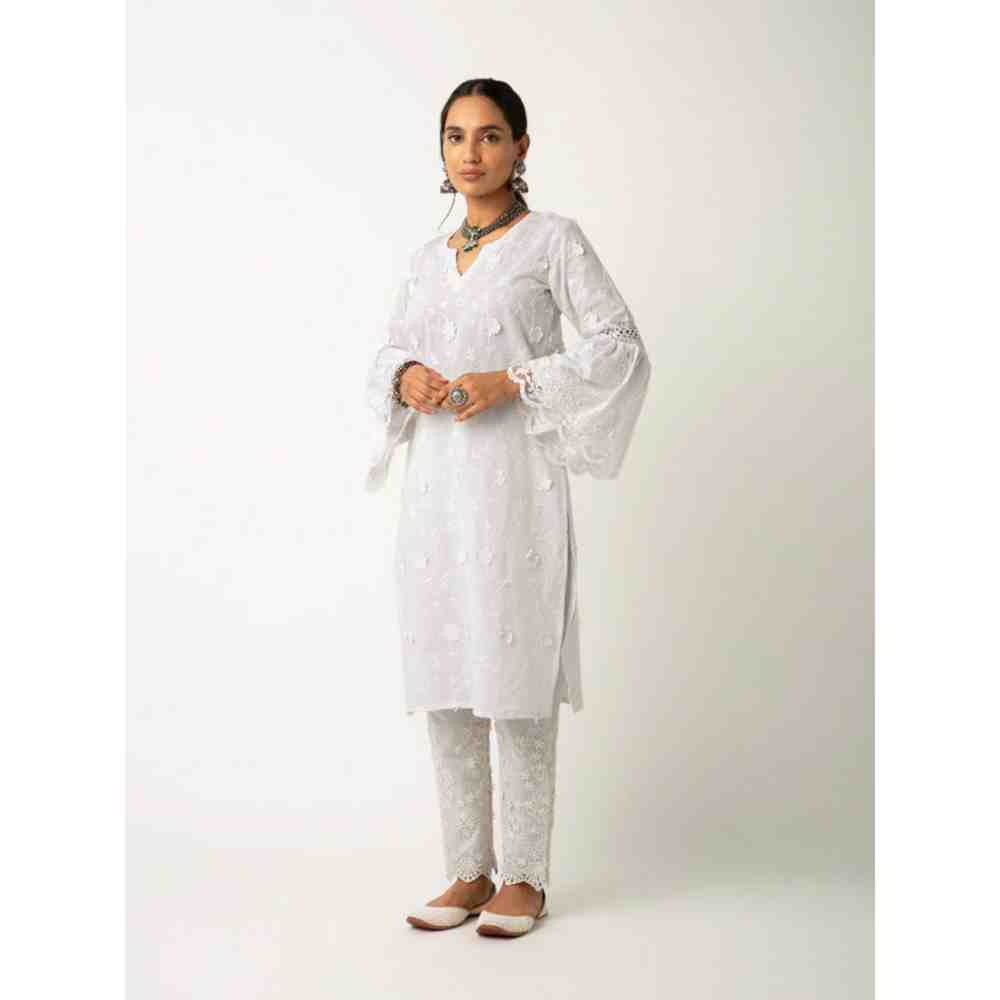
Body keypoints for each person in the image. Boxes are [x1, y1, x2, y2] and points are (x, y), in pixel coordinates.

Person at [364, 78, 652, 937]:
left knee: (515, 674)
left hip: (514, 495)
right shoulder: (427, 259)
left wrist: (516, 380)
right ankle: (468, 869)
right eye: (456, 136)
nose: (471, 152)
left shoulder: (552, 241)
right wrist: (403, 376)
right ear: (441, 150)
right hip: (436, 499)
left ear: (521, 147)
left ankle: (524, 875)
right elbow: (388, 348)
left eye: (490, 135)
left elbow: (618, 344)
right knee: (448, 673)